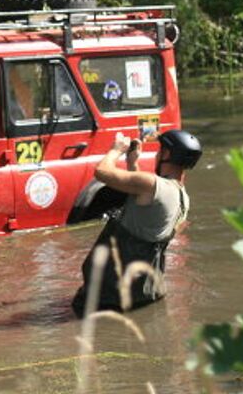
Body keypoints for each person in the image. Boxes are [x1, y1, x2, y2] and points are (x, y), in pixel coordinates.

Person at [71, 129, 202, 317]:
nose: (157, 155)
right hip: (146, 290)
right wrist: (132, 163)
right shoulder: (182, 197)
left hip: (111, 291)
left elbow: (101, 172)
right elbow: (144, 202)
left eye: (160, 151)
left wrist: (116, 149)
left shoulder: (151, 184)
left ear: (166, 154)